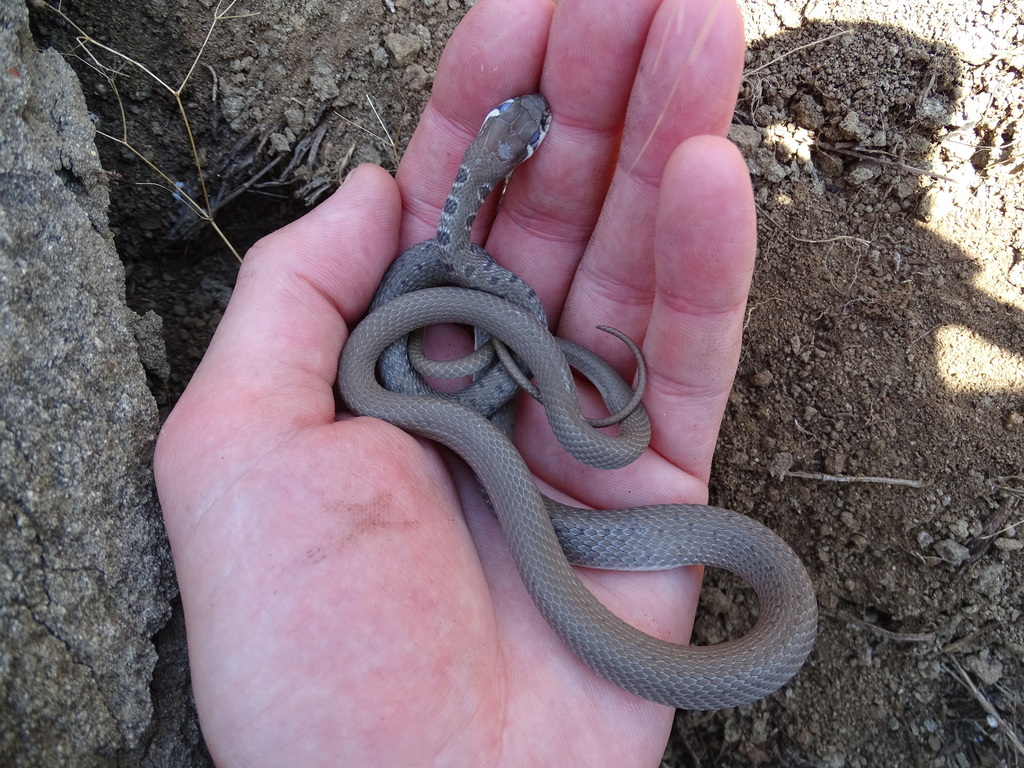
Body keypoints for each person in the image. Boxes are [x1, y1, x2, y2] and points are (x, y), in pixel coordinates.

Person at [154, 0, 755, 764]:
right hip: (457, 386)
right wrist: (509, 365)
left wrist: (515, 360)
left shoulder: (466, 298)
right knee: (517, 405)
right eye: (519, 125)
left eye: (527, 128)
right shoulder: (436, 322)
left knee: (568, 424)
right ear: (498, 150)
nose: (529, 126)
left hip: (480, 373)